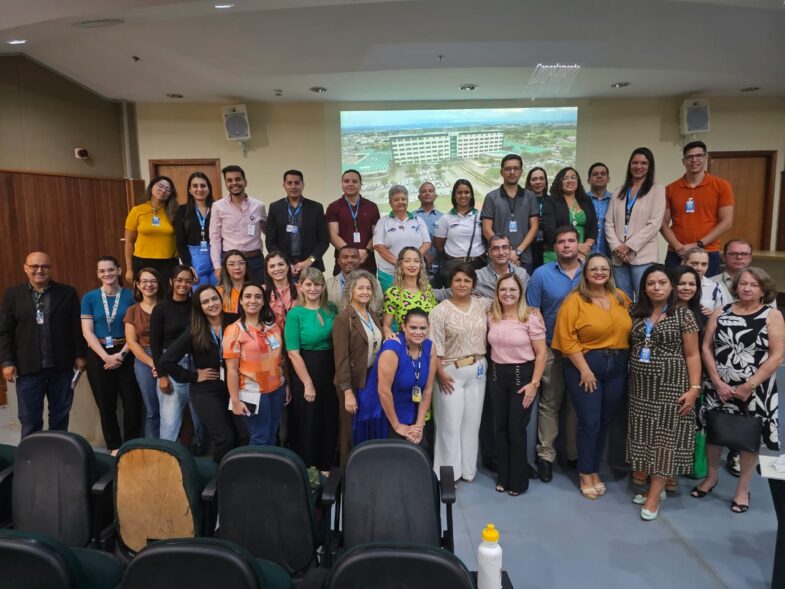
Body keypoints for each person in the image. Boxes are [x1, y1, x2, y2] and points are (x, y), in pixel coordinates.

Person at [693, 267, 785, 513]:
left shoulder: (771, 315)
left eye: (753, 285)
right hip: (718, 385)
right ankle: (711, 477)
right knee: (714, 434)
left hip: (755, 388)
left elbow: (777, 355)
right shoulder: (721, 312)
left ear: (763, 289)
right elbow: (706, 347)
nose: (746, 288)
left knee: (748, 439)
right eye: (743, 283)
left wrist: (749, 385)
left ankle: (743, 489)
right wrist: (716, 380)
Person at [552, 253, 632, 499]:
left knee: (605, 422)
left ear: (610, 272)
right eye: (594, 268)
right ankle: (586, 473)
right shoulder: (574, 301)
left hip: (617, 367)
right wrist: (584, 369)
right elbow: (566, 338)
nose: (599, 272)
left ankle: (595, 469)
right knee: (589, 423)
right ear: (585, 273)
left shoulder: (620, 298)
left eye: (604, 268)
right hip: (585, 369)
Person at [627, 264, 702, 520]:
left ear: (671, 286)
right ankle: (653, 486)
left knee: (663, 441)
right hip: (640, 389)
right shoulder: (637, 313)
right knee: (645, 438)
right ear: (644, 288)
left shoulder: (683, 315)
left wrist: (694, 388)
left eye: (662, 282)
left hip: (671, 386)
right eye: (651, 283)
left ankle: (653, 496)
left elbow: (693, 354)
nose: (656, 287)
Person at [0, 252, 86, 438]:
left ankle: (57, 456)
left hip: (61, 367)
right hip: (28, 367)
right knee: (30, 419)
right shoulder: (12, 295)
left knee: (60, 417)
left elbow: (76, 327)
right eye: (34, 266)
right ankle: (32, 459)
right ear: (25, 268)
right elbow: (5, 331)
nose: (39, 270)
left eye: (44, 266)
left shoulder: (67, 293)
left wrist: (80, 355)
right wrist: (7, 362)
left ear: (50, 268)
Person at [525, 226, 582, 481]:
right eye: (561, 242)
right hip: (551, 348)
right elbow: (532, 312)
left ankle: (573, 454)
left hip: (583, 351)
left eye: (571, 241)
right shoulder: (541, 274)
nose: (567, 245)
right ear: (554, 247)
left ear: (578, 244)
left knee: (575, 404)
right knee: (550, 403)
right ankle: (546, 456)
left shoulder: (591, 272)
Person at [159, 285, 239, 463]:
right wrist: (194, 376)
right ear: (199, 307)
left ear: (220, 299)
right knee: (225, 438)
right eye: (205, 301)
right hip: (206, 391)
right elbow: (166, 361)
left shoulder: (235, 322)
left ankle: (239, 478)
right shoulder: (195, 330)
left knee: (241, 436)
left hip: (235, 386)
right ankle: (220, 480)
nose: (211, 304)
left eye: (214, 299)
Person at [430, 263, 491, 482]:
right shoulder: (440, 310)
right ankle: (447, 474)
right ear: (450, 283)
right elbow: (434, 346)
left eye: (467, 280)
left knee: (471, 425)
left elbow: (510, 307)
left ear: (473, 283)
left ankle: (468, 471)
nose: (462, 284)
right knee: (449, 426)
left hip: (478, 370)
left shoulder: (484, 305)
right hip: (450, 373)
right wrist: (439, 373)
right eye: (458, 280)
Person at [487, 273, 546, 495]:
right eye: (503, 290)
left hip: (523, 376)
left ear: (520, 293)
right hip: (496, 376)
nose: (508, 294)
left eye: (513, 289)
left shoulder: (530, 317)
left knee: (516, 429)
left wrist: (534, 384)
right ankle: (503, 476)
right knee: (500, 428)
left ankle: (519, 481)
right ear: (497, 293)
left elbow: (541, 353)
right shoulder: (492, 316)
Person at [81, 256, 142, 453]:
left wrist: (122, 355)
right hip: (98, 355)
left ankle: (133, 445)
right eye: (102, 271)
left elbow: (136, 329)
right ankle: (114, 446)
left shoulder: (131, 296)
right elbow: (87, 331)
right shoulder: (89, 298)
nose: (106, 274)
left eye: (110, 270)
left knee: (132, 403)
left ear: (119, 270)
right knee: (106, 404)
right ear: (98, 274)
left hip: (127, 350)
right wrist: (106, 357)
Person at [353, 309, 436, 450]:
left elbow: (427, 390)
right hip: (384, 413)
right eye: (413, 327)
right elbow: (383, 391)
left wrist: (419, 426)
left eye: (423, 328)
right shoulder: (392, 348)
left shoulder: (429, 347)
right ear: (403, 327)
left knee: (420, 450)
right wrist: (397, 426)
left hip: (411, 412)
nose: (418, 332)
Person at [284, 268, 339, 473]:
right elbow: (293, 353)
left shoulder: (332, 308)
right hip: (306, 370)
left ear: (323, 286)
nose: (313, 288)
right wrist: (308, 383)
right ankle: (307, 469)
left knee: (328, 418)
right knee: (308, 420)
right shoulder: (295, 313)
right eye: (308, 284)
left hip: (330, 371)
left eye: (317, 284)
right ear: (301, 287)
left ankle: (326, 466)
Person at [224, 282, 288, 445]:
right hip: (253, 392)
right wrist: (236, 401)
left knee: (273, 433)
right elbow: (231, 370)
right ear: (241, 301)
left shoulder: (273, 327)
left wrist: (286, 384)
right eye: (248, 296)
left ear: (263, 301)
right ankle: (256, 471)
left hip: (277, 389)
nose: (253, 300)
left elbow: (280, 359)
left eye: (258, 297)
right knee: (260, 436)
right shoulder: (234, 330)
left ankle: (272, 469)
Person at [150, 265, 205, 447]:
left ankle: (199, 456)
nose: (183, 284)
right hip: (171, 366)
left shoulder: (196, 307)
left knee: (200, 417)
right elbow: (155, 345)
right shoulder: (161, 309)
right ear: (171, 282)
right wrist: (162, 375)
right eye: (179, 280)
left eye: (188, 281)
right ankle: (167, 459)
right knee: (170, 420)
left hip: (196, 363)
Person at [332, 270, 384, 463]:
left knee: (366, 425)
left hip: (370, 379)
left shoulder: (372, 315)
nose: (365, 292)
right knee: (349, 429)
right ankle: (348, 472)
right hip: (351, 383)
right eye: (360, 288)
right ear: (350, 291)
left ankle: (366, 467)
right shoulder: (343, 319)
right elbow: (341, 358)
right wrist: (347, 392)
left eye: (368, 288)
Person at [662, 140, 734, 277]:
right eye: (689, 157)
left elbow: (727, 221)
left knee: (706, 293)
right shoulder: (671, 189)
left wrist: (698, 244)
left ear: (705, 158)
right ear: (683, 161)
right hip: (676, 252)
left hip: (707, 251)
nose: (694, 160)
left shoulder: (721, 185)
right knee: (674, 293)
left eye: (699, 155)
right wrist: (677, 246)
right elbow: (663, 223)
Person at [605, 148, 666, 300]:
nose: (639, 166)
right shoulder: (618, 192)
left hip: (643, 256)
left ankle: (643, 325)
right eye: (635, 162)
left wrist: (628, 247)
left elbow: (654, 224)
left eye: (644, 163)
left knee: (644, 299)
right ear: (630, 165)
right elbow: (609, 223)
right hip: (619, 258)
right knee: (623, 300)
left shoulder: (657, 190)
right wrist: (617, 248)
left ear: (649, 166)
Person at [481, 154, 539, 273]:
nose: (512, 172)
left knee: (522, 291)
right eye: (507, 169)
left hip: (523, 258)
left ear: (521, 171)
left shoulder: (530, 196)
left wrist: (517, 252)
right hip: (498, 259)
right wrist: (504, 253)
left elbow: (534, 227)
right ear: (501, 172)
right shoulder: (491, 197)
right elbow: (486, 229)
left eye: (516, 168)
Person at [209, 165, 267, 283]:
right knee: (232, 297)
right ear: (225, 184)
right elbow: (214, 238)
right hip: (231, 261)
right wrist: (217, 266)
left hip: (255, 260)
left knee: (258, 295)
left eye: (238, 179)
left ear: (245, 182)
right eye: (229, 180)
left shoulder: (259, 206)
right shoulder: (218, 207)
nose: (234, 183)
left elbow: (268, 231)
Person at [265, 169, 329, 275]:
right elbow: (271, 241)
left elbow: (324, 240)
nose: (293, 186)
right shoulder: (275, 208)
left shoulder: (316, 208)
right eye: (289, 183)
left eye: (297, 183)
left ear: (303, 185)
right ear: (284, 185)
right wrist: (283, 263)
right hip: (284, 268)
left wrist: (310, 260)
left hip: (311, 266)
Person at [124, 267, 163, 438]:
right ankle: (153, 447)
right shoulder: (132, 311)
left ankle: (174, 447)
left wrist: (162, 363)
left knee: (170, 407)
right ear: (138, 285)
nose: (149, 285)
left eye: (153, 281)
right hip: (143, 360)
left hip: (167, 356)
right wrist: (152, 363)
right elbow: (132, 343)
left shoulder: (167, 307)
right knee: (151, 408)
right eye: (145, 281)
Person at [373, 185, 431, 293]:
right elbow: (378, 246)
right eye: (396, 200)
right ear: (390, 202)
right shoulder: (383, 221)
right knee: (391, 305)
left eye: (403, 199)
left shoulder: (418, 220)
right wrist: (400, 263)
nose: (401, 202)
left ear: (408, 201)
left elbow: (427, 243)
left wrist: (412, 262)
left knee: (416, 306)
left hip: (416, 274)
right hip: (390, 274)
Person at [124, 176, 179, 285]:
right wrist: (129, 269)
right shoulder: (137, 210)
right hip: (142, 261)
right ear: (151, 187)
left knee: (166, 296)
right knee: (145, 296)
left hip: (168, 262)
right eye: (160, 186)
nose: (163, 190)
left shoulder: (175, 211)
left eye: (168, 189)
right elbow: (129, 242)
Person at [326, 169, 380, 274]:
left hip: (367, 261)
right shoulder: (334, 207)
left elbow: (376, 234)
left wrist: (366, 251)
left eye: (354, 181)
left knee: (367, 290)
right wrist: (351, 255)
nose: (350, 184)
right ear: (342, 184)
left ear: (361, 184)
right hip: (343, 263)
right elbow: (333, 235)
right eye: (346, 181)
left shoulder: (372, 207)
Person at [433, 179, 486, 286]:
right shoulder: (445, 218)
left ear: (471, 195)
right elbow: (439, 245)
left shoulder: (481, 215)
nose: (463, 195)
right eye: (459, 192)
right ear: (454, 196)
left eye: (467, 192)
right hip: (453, 267)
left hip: (478, 265)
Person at [542, 167, 597, 264]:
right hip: (556, 253)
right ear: (559, 181)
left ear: (578, 181)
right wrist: (577, 246)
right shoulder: (551, 201)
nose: (570, 181)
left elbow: (593, 227)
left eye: (573, 177)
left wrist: (586, 246)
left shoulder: (586, 200)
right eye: (565, 178)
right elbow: (549, 230)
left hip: (582, 254)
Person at [382, 247, 438, 338]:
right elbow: (386, 326)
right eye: (407, 261)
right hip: (406, 343)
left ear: (421, 265)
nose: (412, 265)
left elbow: (436, 318)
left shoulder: (426, 289)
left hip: (428, 340)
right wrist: (389, 335)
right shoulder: (393, 293)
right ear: (401, 264)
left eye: (416, 261)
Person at [174, 172, 216, 288]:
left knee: (219, 293)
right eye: (195, 186)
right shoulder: (182, 211)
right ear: (190, 190)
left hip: (216, 257)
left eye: (203, 186)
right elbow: (180, 241)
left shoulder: (218, 208)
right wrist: (188, 265)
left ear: (209, 188)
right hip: (195, 260)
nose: (199, 189)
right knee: (200, 295)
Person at [325, 245, 383, 316]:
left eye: (354, 257)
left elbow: (378, 308)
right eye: (345, 257)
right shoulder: (328, 284)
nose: (350, 260)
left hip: (365, 324)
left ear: (359, 260)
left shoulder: (373, 283)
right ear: (338, 261)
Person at [474, 234, 530, 299]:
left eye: (505, 247)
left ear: (510, 250)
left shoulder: (522, 274)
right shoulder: (479, 277)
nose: (501, 253)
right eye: (496, 248)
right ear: (489, 252)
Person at [682, 248, 730, 314]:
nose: (699, 268)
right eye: (694, 264)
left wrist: (713, 314)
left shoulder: (716, 287)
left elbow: (725, 314)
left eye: (704, 264)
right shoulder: (672, 285)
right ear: (683, 263)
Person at [414, 181, 444, 284]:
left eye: (430, 191)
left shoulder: (443, 217)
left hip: (439, 264)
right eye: (424, 191)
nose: (427, 193)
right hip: (417, 264)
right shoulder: (411, 217)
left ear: (435, 195)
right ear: (419, 197)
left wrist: (433, 256)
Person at [263, 250, 298, 332]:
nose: (277, 269)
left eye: (281, 264)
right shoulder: (261, 291)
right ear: (267, 271)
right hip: (271, 337)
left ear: (288, 266)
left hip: (297, 335)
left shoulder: (301, 289)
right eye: (272, 266)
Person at [711, 238, 753, 303]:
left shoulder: (761, 284)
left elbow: (770, 311)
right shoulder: (709, 283)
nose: (739, 257)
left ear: (750, 258)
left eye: (744, 254)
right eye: (733, 254)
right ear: (724, 257)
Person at [524, 167, 549, 269]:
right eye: (534, 179)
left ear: (545, 182)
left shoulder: (553, 201)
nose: (538, 182)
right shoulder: (522, 202)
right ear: (529, 183)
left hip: (546, 246)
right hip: (528, 246)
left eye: (541, 178)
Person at [587, 163, 612, 257]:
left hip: (611, 254)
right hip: (585, 254)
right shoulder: (581, 200)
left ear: (608, 179)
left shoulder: (616, 201)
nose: (599, 176)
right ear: (588, 180)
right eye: (595, 174)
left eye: (603, 173)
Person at [217, 250, 249, 320]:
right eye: (231, 264)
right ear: (225, 268)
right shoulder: (219, 292)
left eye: (241, 263)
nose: (237, 267)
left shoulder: (254, 289)